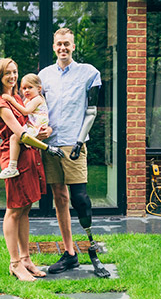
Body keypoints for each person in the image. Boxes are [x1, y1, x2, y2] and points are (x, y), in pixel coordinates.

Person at [39, 28, 111, 278]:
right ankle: (70, 253)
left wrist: (80, 142)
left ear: (73, 46)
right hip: (50, 145)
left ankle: (92, 249)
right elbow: (38, 109)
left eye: (67, 44)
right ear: (53, 46)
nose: (63, 48)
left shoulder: (89, 73)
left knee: (80, 199)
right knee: (59, 197)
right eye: (59, 44)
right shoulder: (44, 75)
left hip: (74, 144)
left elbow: (91, 111)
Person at [0, 58, 64, 282]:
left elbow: (31, 125)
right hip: (15, 160)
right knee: (14, 209)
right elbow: (20, 134)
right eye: (7, 74)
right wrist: (46, 145)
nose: (12, 77)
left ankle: (25, 259)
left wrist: (44, 130)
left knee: (25, 209)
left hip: (29, 156)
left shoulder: (18, 98)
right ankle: (15, 263)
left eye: (15, 72)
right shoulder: (1, 104)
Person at [0, 73, 50, 180]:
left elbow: (25, 111)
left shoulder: (38, 99)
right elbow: (20, 110)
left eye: (30, 87)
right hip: (32, 126)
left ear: (39, 88)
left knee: (14, 138)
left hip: (36, 127)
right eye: (24, 88)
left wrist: (11, 100)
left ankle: (12, 167)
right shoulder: (28, 100)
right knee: (16, 137)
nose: (26, 91)